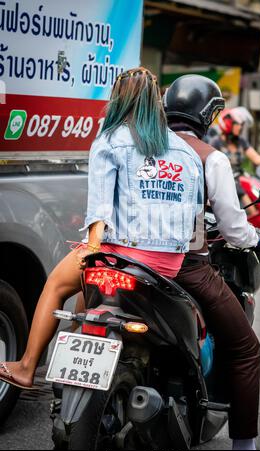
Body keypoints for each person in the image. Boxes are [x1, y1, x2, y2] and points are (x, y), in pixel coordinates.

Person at [0, 67, 204, 391]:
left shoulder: (111, 140)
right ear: (156, 102)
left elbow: (99, 210)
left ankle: (26, 367)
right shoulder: (187, 152)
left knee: (56, 284)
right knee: (87, 289)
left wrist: (93, 252)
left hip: (120, 254)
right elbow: (195, 219)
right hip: (168, 264)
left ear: (119, 99)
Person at [164, 74, 260, 451]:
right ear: (207, 115)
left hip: (123, 258)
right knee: (245, 348)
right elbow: (233, 225)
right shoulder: (211, 158)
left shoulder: (139, 147)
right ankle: (244, 446)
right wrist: (255, 237)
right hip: (184, 266)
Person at [211, 107, 260, 217]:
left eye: (241, 124)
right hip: (224, 181)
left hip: (240, 179)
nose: (240, 127)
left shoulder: (241, 142)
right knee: (250, 206)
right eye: (237, 124)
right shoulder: (216, 142)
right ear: (228, 123)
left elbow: (256, 158)